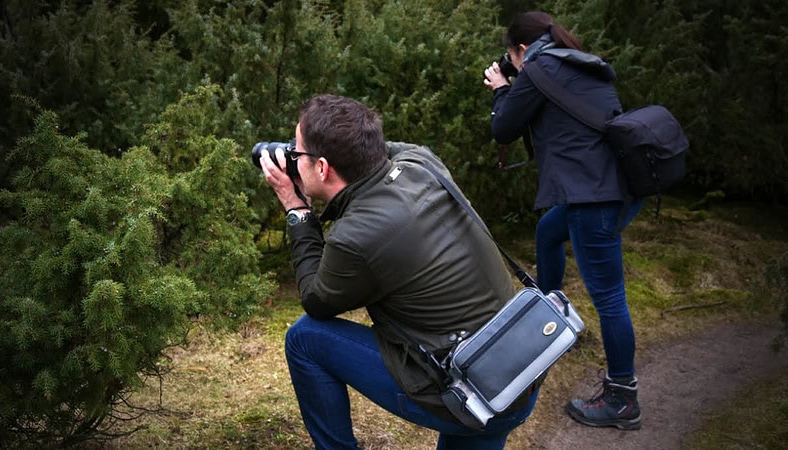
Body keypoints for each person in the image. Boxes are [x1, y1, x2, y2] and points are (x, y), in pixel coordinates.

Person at [258, 94, 538, 449]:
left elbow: (316, 299)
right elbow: (371, 149)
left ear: (324, 168)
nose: (292, 160)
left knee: (305, 338)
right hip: (517, 373)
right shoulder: (421, 161)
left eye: (297, 154)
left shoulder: (355, 235)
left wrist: (296, 209)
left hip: (465, 395)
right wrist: (319, 147)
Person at [483, 11, 644, 431]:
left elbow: (503, 129)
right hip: (611, 188)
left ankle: (623, 398)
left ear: (521, 49)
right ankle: (550, 324)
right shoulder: (581, 63)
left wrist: (503, 89)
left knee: (609, 298)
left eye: (511, 56)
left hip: (594, 198)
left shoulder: (536, 69)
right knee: (547, 232)